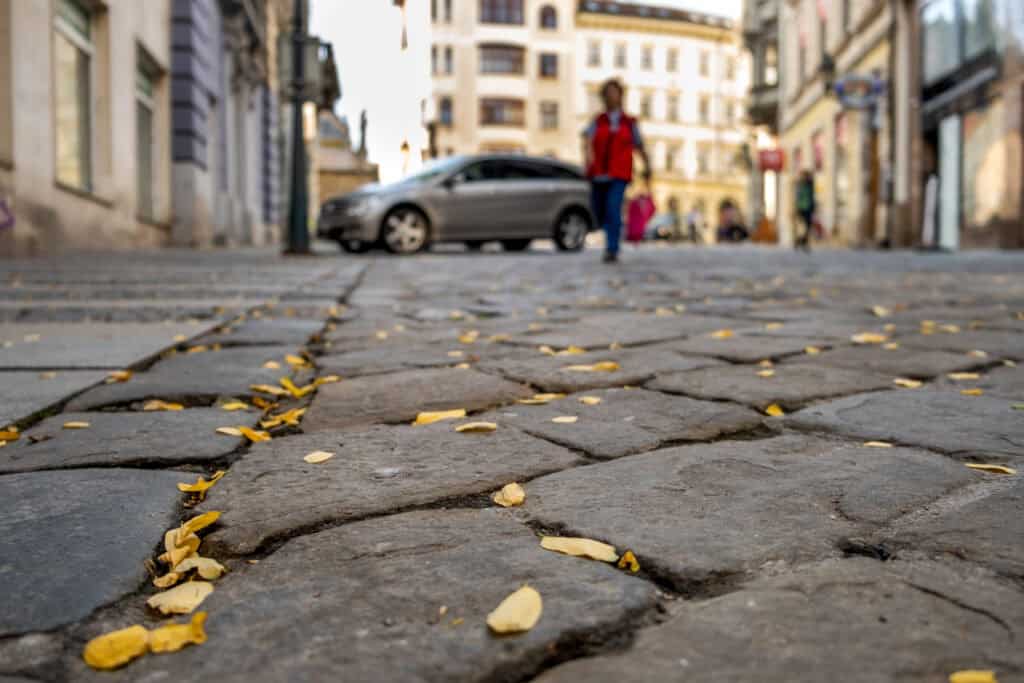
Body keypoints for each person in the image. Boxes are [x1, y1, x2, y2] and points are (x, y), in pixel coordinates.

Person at [582, 79, 652, 263]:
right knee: (599, 210)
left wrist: (647, 167)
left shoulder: (629, 122)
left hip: (619, 173)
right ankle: (610, 238)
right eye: (608, 92)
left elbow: (639, 145)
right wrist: (587, 160)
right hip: (598, 173)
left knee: (613, 208)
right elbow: (587, 140)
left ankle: (612, 248)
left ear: (621, 96)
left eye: (615, 92)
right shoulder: (598, 120)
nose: (611, 96)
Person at [794, 170, 816, 251]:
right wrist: (797, 208)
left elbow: (812, 197)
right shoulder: (800, 185)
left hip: (809, 209)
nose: (806, 177)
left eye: (807, 176)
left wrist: (813, 207)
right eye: (805, 176)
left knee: (808, 228)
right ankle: (801, 242)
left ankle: (801, 242)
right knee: (803, 227)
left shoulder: (810, 185)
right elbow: (798, 197)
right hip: (802, 208)